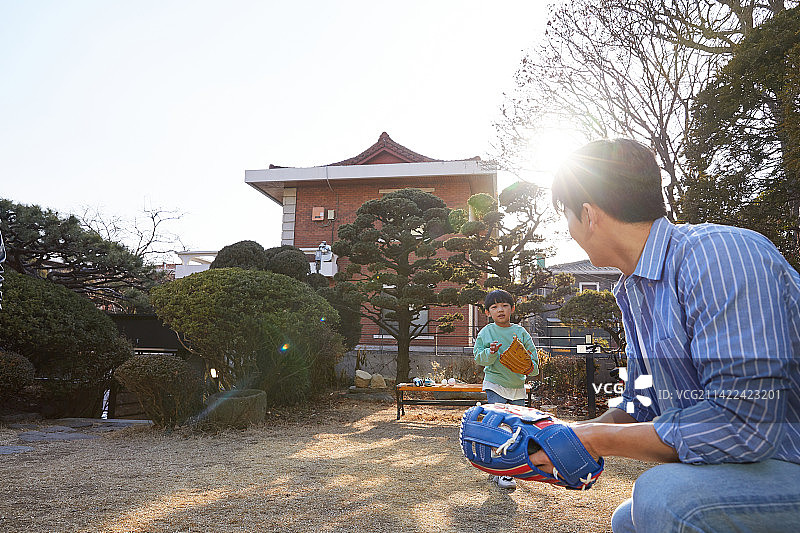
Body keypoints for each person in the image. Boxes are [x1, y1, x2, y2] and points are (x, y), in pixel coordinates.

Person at [535, 138, 800, 532]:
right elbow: (641, 404)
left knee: (664, 496)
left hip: (785, 457)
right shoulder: (636, 289)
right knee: (628, 518)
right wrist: (566, 437)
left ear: (589, 215)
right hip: (766, 465)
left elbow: (744, 424)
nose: (569, 230)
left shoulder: (719, 256)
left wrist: (595, 439)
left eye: (567, 217)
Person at [474, 289, 539, 489]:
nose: (500, 310)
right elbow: (478, 358)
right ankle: (504, 472)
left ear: (512, 308)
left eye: (504, 306)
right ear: (487, 313)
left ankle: (503, 467)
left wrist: (528, 365)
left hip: (517, 386)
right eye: (494, 307)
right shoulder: (486, 332)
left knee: (517, 427)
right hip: (494, 383)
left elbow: (534, 366)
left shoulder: (521, 332)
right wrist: (491, 352)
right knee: (499, 426)